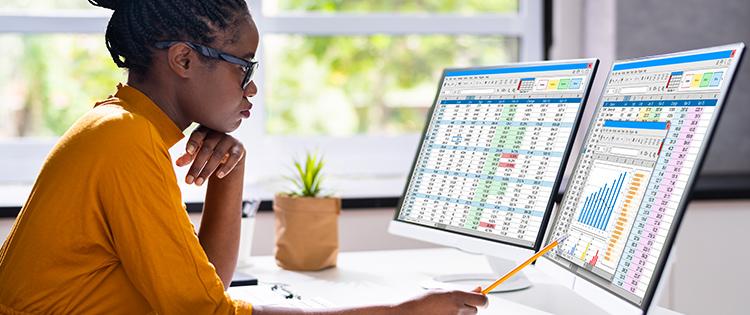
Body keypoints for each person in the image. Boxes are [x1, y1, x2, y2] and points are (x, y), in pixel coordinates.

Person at [0, 1, 488, 314]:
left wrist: (229, 175)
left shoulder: (121, 127)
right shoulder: (124, 142)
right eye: (244, 67)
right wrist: (399, 313)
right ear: (185, 61)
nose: (252, 88)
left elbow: (203, 287)